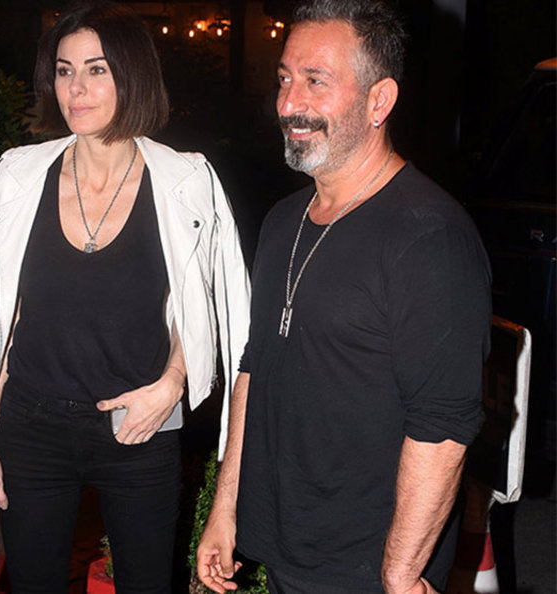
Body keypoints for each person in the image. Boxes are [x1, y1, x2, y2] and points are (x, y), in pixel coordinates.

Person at [0, 2, 250, 592]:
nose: (75, 89)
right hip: (32, 426)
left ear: (131, 76)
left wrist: (172, 384)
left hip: (139, 425)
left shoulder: (186, 181)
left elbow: (205, 305)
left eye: (96, 69)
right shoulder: (17, 177)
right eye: (64, 71)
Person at [197, 1, 492, 593]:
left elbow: (442, 428)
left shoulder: (428, 237)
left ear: (379, 101)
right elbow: (256, 368)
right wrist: (225, 510)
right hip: (285, 547)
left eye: (316, 81)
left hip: (369, 567)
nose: (288, 103)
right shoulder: (284, 220)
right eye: (285, 78)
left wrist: (401, 575)